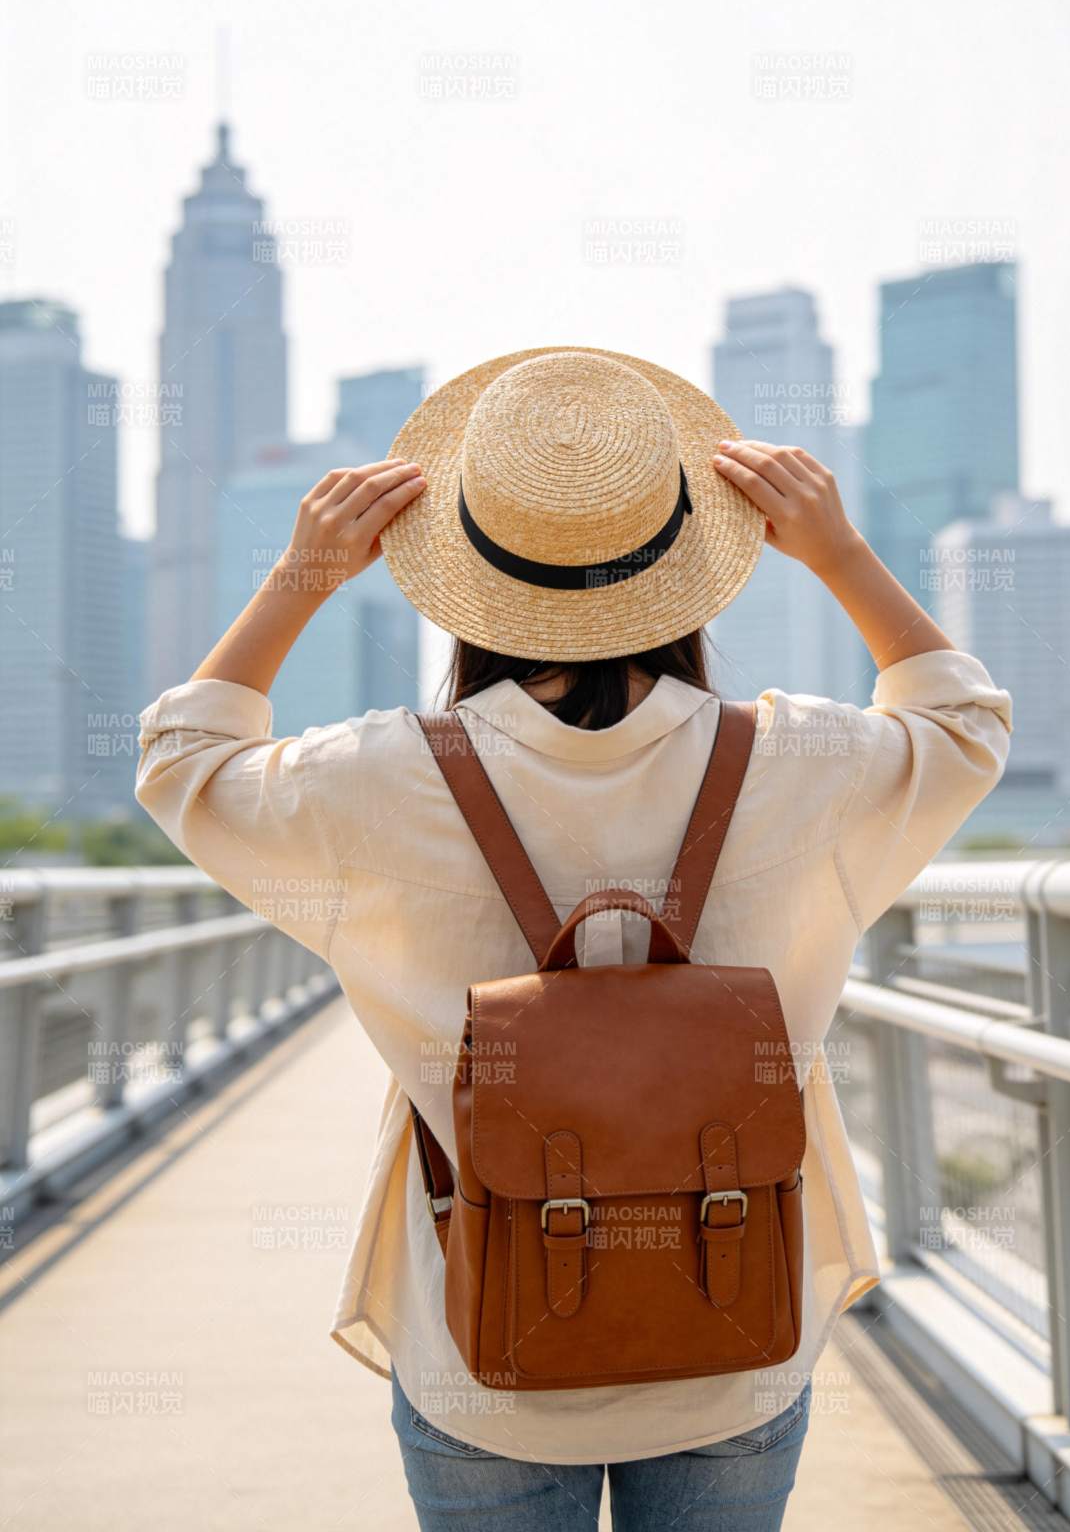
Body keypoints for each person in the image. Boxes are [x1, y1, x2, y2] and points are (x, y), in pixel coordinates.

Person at [136, 346, 1012, 1530]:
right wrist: (842, 555)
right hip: (733, 1340)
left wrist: (304, 572)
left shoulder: (376, 781)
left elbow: (183, 765)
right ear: (696, 566)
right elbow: (961, 722)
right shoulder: (808, 764)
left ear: (461, 575)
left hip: (483, 1350)